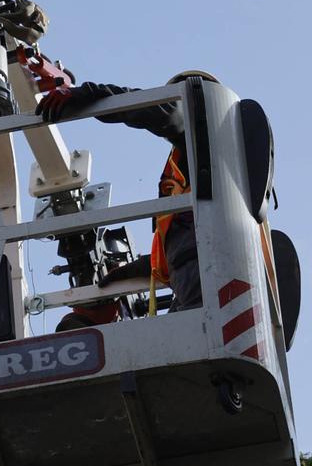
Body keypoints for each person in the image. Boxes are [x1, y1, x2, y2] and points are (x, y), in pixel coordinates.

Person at [33, 73, 209, 309]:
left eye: (173, 98)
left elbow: (155, 111)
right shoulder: (189, 172)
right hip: (192, 281)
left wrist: (87, 93)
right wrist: (134, 270)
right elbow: (186, 245)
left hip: (207, 276)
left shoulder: (210, 139)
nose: (169, 103)